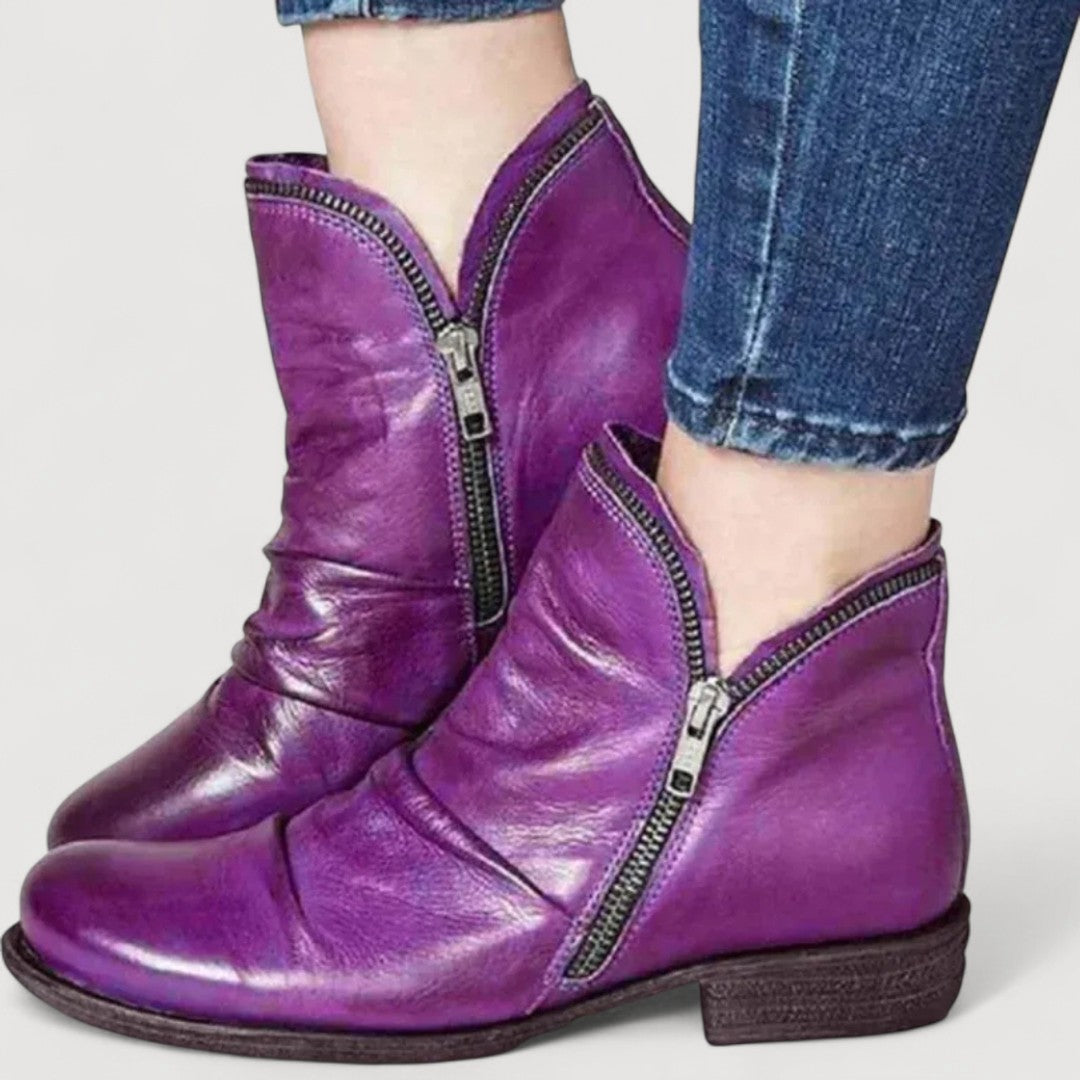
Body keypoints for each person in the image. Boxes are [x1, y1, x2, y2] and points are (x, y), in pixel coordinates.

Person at [3, 0, 1076, 1063]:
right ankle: (503, 266)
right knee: (424, 118)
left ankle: (781, 584)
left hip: (754, 675)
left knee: (778, 516)